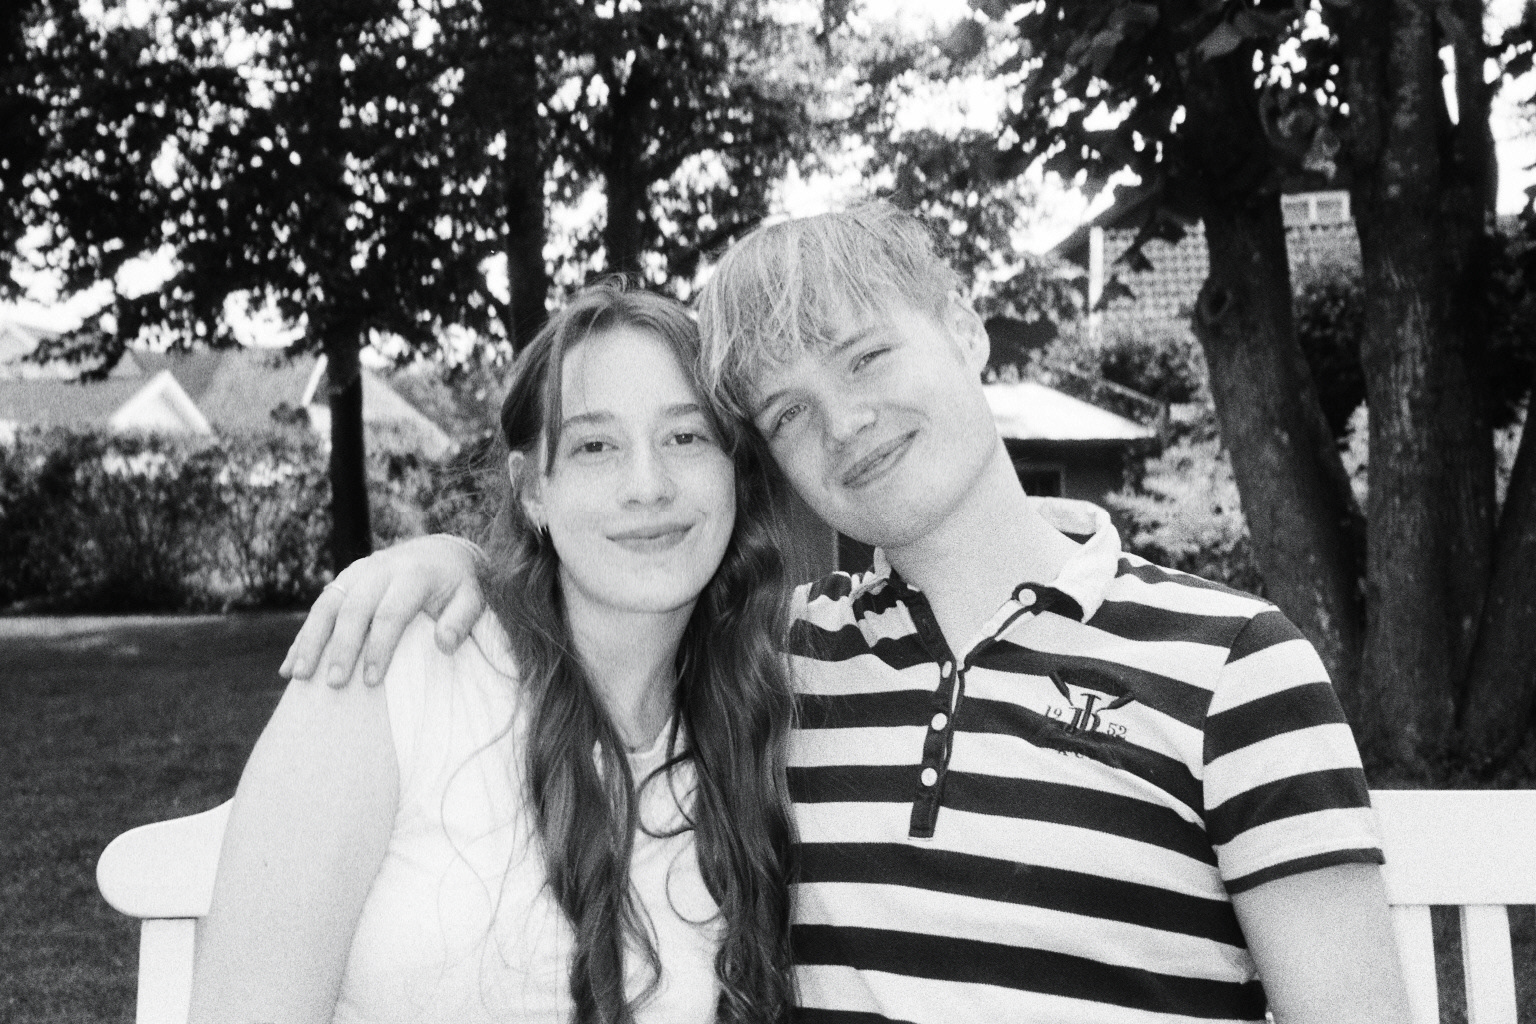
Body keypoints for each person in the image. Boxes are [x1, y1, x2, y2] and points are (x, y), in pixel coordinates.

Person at [283, 204, 1411, 1024]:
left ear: (965, 328)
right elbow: (602, 611)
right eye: (787, 412)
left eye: (867, 355)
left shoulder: (1234, 670)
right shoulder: (785, 663)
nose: (845, 422)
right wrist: (453, 561)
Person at [192, 282, 798, 1024]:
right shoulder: (393, 667)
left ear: (735, 470)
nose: (648, 486)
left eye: (686, 436)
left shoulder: (755, 718)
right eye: (595, 446)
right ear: (531, 490)